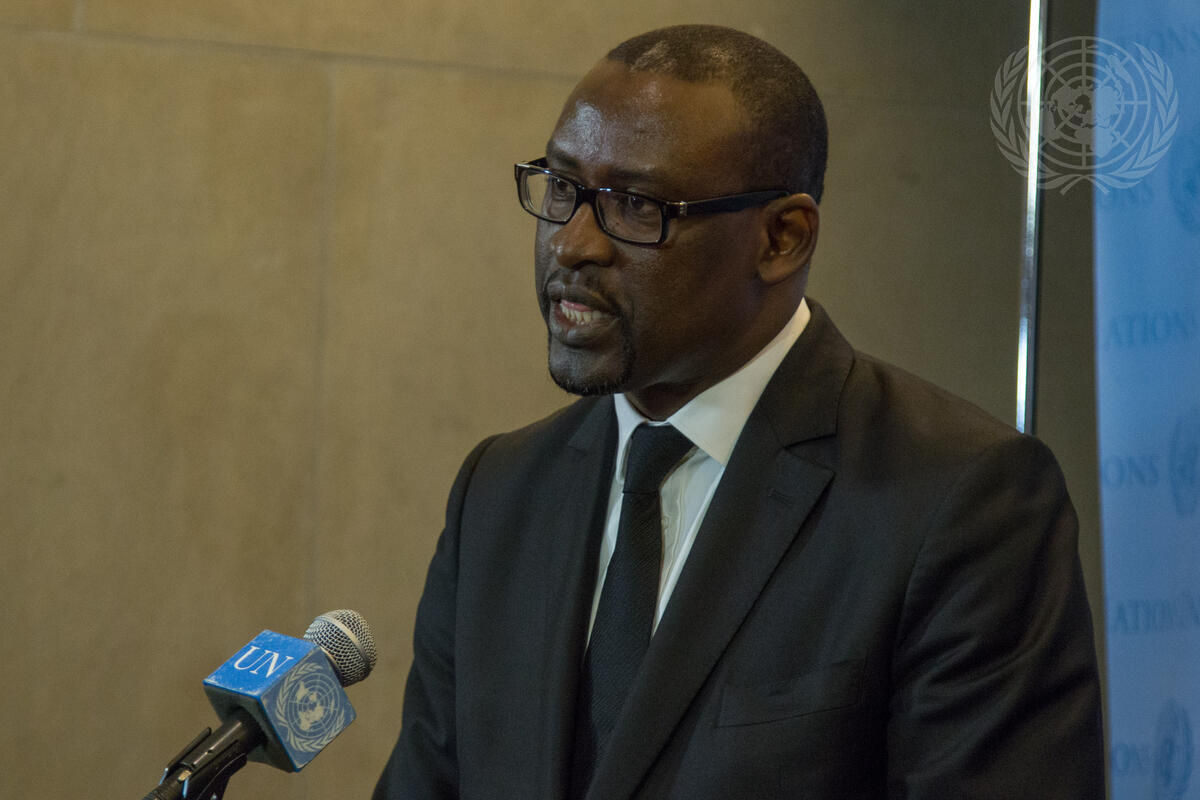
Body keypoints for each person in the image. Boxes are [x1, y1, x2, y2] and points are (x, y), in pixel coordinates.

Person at [373, 24, 1104, 800]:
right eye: (560, 188)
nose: (572, 245)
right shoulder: (501, 492)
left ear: (783, 238)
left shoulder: (958, 500)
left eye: (634, 205)